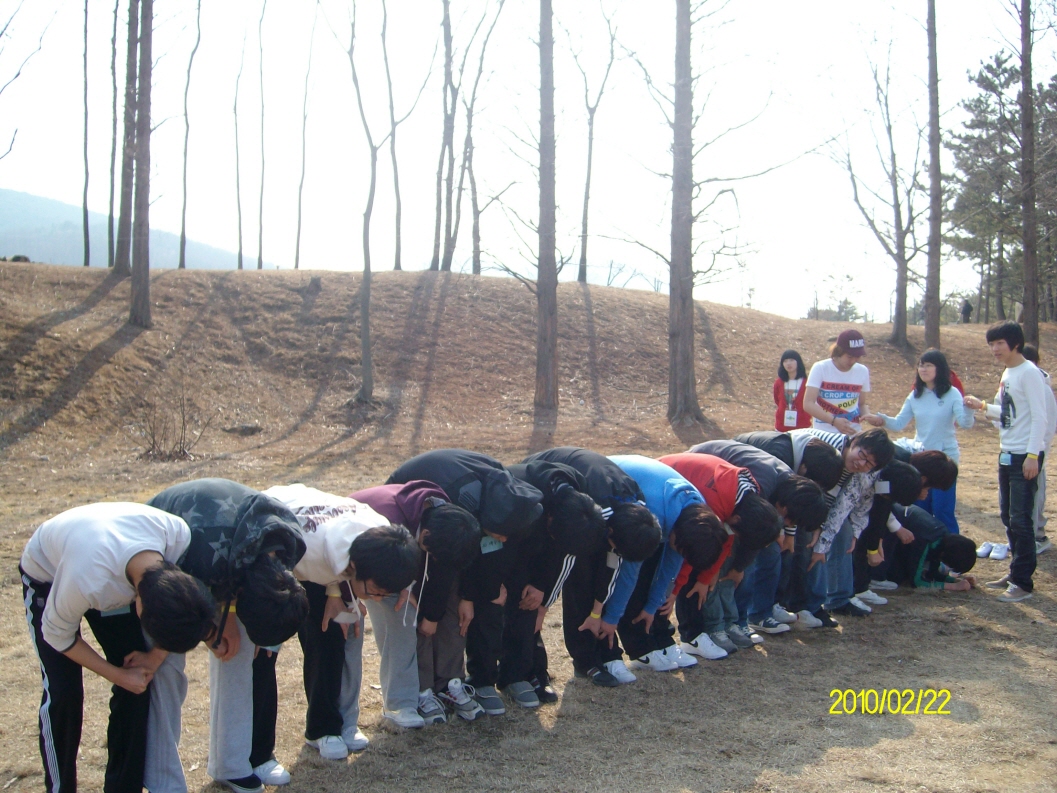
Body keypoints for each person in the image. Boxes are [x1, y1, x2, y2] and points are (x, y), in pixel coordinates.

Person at [20, 502, 215, 793]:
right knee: (64, 692)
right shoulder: (88, 580)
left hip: (107, 557)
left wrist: (153, 658)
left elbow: (180, 615)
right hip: (48, 572)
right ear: (139, 605)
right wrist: (117, 675)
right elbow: (56, 635)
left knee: (138, 681)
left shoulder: (177, 537)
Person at [147, 479, 309, 793]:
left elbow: (243, 571)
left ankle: (231, 765)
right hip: (165, 556)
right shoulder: (204, 554)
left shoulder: (290, 540)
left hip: (227, 545)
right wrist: (214, 628)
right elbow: (175, 609)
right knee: (166, 667)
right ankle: (162, 780)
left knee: (240, 647)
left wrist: (233, 618)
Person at [262, 484, 423, 761]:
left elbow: (345, 567)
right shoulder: (308, 552)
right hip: (278, 533)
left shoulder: (381, 536)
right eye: (375, 591)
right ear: (357, 570)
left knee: (345, 625)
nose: (377, 599)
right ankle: (321, 729)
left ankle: (345, 723)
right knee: (324, 634)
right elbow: (276, 572)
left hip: (327, 542)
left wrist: (340, 593)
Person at [387, 449, 544, 715]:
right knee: (424, 602)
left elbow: (486, 553)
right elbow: (446, 562)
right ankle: (421, 688)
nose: (504, 539)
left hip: (450, 507)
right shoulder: (460, 509)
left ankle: (449, 682)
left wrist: (471, 595)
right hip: (411, 510)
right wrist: (433, 615)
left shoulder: (506, 499)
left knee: (455, 602)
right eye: (500, 534)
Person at [520, 446, 662, 687]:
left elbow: (613, 564)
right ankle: (574, 661)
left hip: (585, 489)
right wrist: (544, 605)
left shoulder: (637, 513)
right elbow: (567, 556)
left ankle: (598, 656)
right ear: (610, 531)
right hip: (541, 475)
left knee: (597, 572)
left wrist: (597, 613)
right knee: (579, 576)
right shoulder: (596, 512)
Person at [350, 481, 482, 725]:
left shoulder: (447, 521)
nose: (433, 559)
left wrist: (431, 612)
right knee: (402, 615)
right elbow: (364, 564)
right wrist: (402, 586)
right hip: (369, 553)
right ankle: (403, 702)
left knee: (420, 606)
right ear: (425, 535)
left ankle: (440, 686)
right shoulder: (386, 523)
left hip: (396, 552)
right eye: (432, 554)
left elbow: (443, 567)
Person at [687, 440, 828, 635]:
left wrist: (788, 536)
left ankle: (752, 615)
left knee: (768, 553)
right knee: (740, 563)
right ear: (785, 507)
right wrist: (738, 568)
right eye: (790, 521)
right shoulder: (762, 486)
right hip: (700, 471)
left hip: (725, 489)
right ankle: (734, 621)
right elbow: (752, 535)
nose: (788, 525)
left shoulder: (790, 487)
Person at [603, 455, 728, 673]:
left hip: (642, 499)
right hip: (606, 488)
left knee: (653, 570)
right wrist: (612, 617)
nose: (679, 553)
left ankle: (652, 639)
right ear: (676, 533)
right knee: (632, 575)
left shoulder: (694, 515)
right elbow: (630, 571)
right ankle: (622, 649)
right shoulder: (654, 515)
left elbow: (673, 563)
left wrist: (652, 607)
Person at [500, 460, 608, 707]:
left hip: (539, 534)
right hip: (509, 538)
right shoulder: (523, 497)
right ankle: (514, 675)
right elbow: (512, 549)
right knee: (519, 598)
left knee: (532, 600)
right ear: (549, 519)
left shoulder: (577, 505)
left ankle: (536, 671)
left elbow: (561, 551)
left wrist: (541, 589)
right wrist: (509, 582)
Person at [964, 321, 1057, 603]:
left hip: (1023, 456)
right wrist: (982, 406)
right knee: (1007, 516)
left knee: (1021, 519)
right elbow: (1010, 413)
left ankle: (1022, 582)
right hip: (1006, 453)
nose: (995, 349)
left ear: (1015, 344)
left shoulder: (1029, 373)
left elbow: (1040, 417)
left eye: (1000, 343)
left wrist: (1033, 455)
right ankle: (1015, 571)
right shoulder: (1008, 372)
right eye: (992, 344)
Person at [659, 452, 783, 655]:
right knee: (693, 567)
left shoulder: (747, 500)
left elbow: (726, 537)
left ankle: (709, 629)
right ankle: (692, 636)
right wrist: (677, 588)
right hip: (665, 493)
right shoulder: (714, 501)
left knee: (704, 575)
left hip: (690, 500)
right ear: (737, 521)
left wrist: (707, 576)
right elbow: (693, 549)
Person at [864, 349, 973, 534]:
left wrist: (969, 409)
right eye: (921, 365)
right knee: (920, 510)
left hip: (944, 460)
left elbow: (965, 423)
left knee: (942, 510)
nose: (924, 369)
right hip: (921, 460)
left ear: (940, 369)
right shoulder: (916, 395)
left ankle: (950, 548)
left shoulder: (952, 393)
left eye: (929, 365)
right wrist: (881, 420)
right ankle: (923, 549)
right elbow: (899, 423)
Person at [803, 328, 871, 434]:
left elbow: (861, 404)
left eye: (857, 357)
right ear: (839, 351)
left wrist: (868, 415)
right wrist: (834, 421)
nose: (853, 361)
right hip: (824, 434)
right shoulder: (820, 368)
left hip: (852, 433)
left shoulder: (862, 371)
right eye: (849, 357)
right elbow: (808, 404)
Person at [1022, 344, 1053, 555]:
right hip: (1017, 450)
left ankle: (1038, 535)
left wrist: (1038, 453)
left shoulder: (1042, 388)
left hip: (1034, 453)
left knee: (1035, 493)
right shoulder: (1012, 381)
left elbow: (1047, 425)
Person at [773, 350, 812, 430]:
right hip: (781, 426)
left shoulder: (807, 383)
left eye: (791, 360)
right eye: (785, 361)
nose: (788, 363)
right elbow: (777, 400)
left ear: (798, 362)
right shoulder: (779, 382)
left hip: (802, 427)